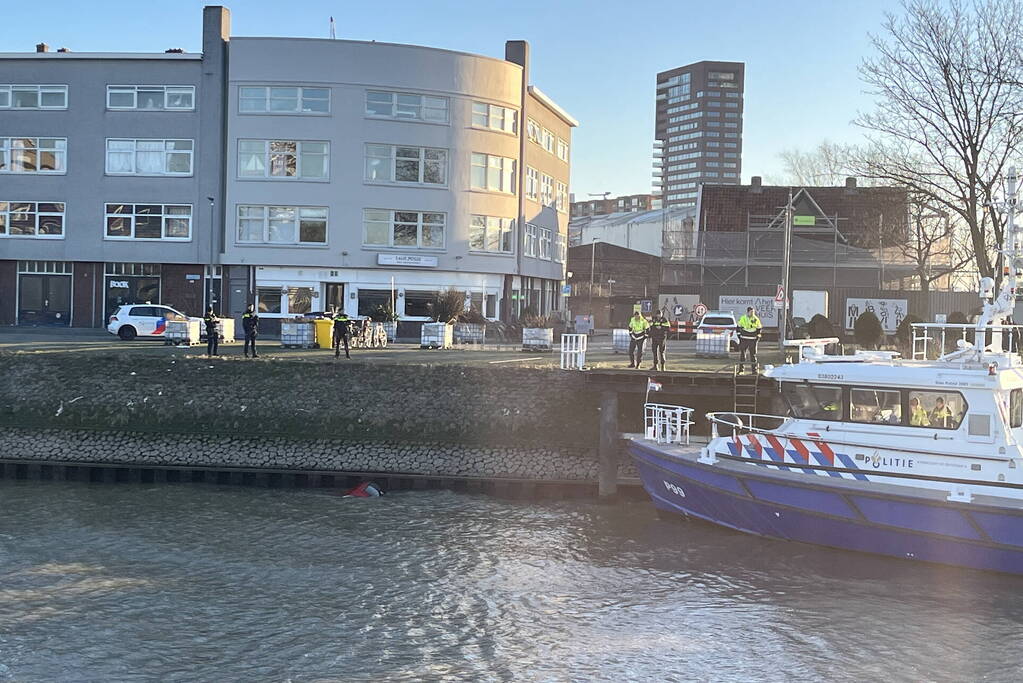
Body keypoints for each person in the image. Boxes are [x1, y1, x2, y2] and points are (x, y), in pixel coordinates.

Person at [736, 306, 763, 374]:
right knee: (742, 355)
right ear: (747, 312)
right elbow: (738, 327)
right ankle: (741, 370)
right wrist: (739, 336)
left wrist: (758, 337)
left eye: (753, 312)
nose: (752, 313)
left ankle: (754, 371)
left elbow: (759, 328)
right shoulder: (743, 318)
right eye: (751, 312)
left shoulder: (756, 319)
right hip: (744, 339)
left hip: (753, 339)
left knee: (753, 355)